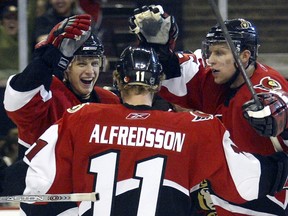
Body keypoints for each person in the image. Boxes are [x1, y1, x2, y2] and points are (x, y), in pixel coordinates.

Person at [2, 45, 288, 216]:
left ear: (116, 79)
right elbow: (246, 183)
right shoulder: (195, 127)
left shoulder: (80, 118)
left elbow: (33, 188)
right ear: (158, 82)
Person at [129, 5, 288, 215]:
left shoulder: (266, 84)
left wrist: (276, 113)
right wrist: (159, 49)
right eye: (210, 51)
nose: (211, 59)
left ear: (244, 56)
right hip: (220, 194)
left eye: (220, 52)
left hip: (263, 201)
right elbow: (176, 70)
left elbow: (278, 102)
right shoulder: (213, 78)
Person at [3, 14, 120, 215]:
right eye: (82, 63)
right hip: (43, 204)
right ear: (66, 68)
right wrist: (48, 56)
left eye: (94, 63)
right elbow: (16, 98)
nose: (90, 71)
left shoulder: (109, 100)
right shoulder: (49, 93)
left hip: (91, 202)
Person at [0, 3, 19, 83]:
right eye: (8, 18)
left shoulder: (26, 33)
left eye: (15, 18)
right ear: (2, 21)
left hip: (21, 77)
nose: (12, 21)